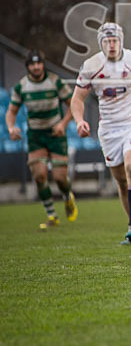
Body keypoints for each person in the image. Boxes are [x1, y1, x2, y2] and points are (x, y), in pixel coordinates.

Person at [71, 23, 131, 244]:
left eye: (115, 40)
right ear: (100, 43)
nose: (112, 45)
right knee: (121, 181)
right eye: (107, 41)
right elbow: (77, 98)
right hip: (109, 130)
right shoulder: (91, 66)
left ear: (121, 40)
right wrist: (79, 121)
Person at [6, 50, 77, 228]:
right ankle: (52, 215)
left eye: (39, 63)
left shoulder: (55, 81)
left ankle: (67, 196)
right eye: (32, 64)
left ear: (43, 65)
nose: (36, 67)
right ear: (28, 67)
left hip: (56, 133)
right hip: (36, 135)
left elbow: (73, 105)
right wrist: (11, 127)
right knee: (39, 176)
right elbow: (11, 111)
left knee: (60, 178)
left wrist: (63, 124)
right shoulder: (21, 86)